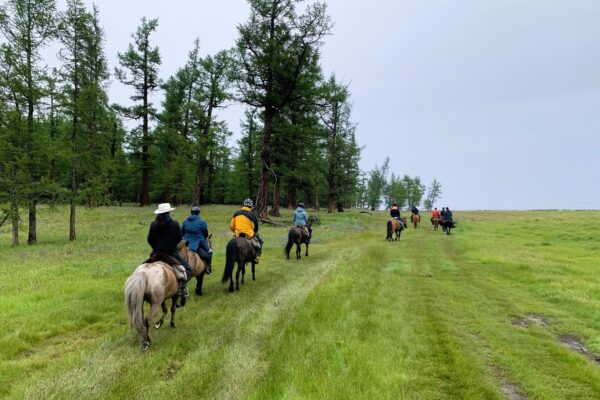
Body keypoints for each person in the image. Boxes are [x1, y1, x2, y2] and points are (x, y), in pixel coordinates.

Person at [147, 203, 191, 298]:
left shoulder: (153, 224)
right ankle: (182, 288)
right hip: (172, 254)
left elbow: (149, 240)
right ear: (169, 212)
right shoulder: (174, 224)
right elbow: (179, 239)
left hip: (156, 254)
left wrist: (156, 247)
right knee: (187, 269)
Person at [230, 198, 263, 263]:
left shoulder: (236, 213)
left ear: (243, 205)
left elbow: (232, 226)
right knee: (260, 242)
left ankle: (231, 257)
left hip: (238, 234)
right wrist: (253, 232)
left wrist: (236, 231)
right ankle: (257, 257)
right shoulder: (252, 215)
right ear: (251, 206)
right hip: (249, 234)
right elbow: (256, 227)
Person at [182, 206, 212, 274]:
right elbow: (205, 234)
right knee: (209, 252)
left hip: (186, 243)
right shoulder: (202, 222)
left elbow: (182, 233)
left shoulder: (185, 221)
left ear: (191, 213)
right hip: (198, 242)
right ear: (198, 213)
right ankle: (208, 267)